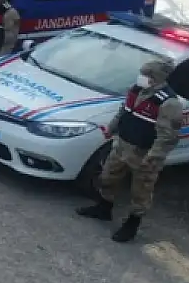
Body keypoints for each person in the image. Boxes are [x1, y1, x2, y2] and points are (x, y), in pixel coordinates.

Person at [76, 59, 182, 242]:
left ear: (155, 78)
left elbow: (168, 136)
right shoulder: (135, 90)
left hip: (144, 154)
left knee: (140, 191)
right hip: (122, 144)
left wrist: (153, 157)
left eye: (146, 75)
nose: (141, 77)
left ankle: (132, 225)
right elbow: (124, 111)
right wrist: (111, 128)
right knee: (108, 177)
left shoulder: (169, 103)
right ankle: (104, 208)